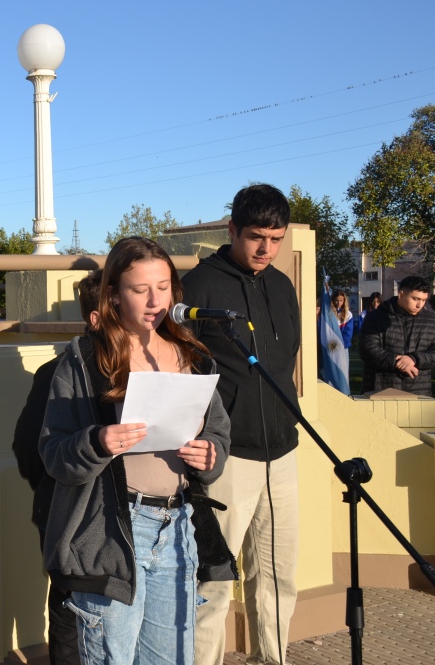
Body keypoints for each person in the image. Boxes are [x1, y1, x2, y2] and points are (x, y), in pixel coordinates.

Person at [39, 237, 234, 665]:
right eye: (139, 289)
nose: (154, 300)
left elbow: (218, 431)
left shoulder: (191, 354)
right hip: (111, 533)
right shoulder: (85, 359)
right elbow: (53, 453)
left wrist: (210, 455)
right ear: (112, 295)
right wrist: (98, 441)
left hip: (177, 525)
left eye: (163, 287)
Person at [183, 183, 301, 665]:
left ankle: (273, 660)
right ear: (231, 229)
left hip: (285, 452)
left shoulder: (281, 284)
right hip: (226, 459)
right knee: (213, 585)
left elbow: (287, 360)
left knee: (278, 578)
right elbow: (182, 371)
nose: (266, 249)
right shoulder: (198, 286)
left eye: (276, 239)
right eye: (256, 236)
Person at [12, 269, 105, 665]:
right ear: (96, 317)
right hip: (66, 521)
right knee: (70, 618)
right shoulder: (56, 373)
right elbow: (29, 449)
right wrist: (61, 496)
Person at [359, 275, 435, 396]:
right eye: (415, 299)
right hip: (381, 390)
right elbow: (367, 349)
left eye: (424, 300)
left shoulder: (431, 320)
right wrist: (397, 362)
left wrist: (414, 359)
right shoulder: (376, 317)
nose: (420, 305)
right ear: (401, 294)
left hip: (419, 392)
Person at [332, 289, 354, 353]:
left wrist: (342, 345)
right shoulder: (329, 313)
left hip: (343, 346)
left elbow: (348, 332)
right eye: (337, 300)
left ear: (344, 301)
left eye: (341, 300)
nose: (339, 303)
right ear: (333, 300)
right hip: (330, 344)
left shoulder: (348, 314)